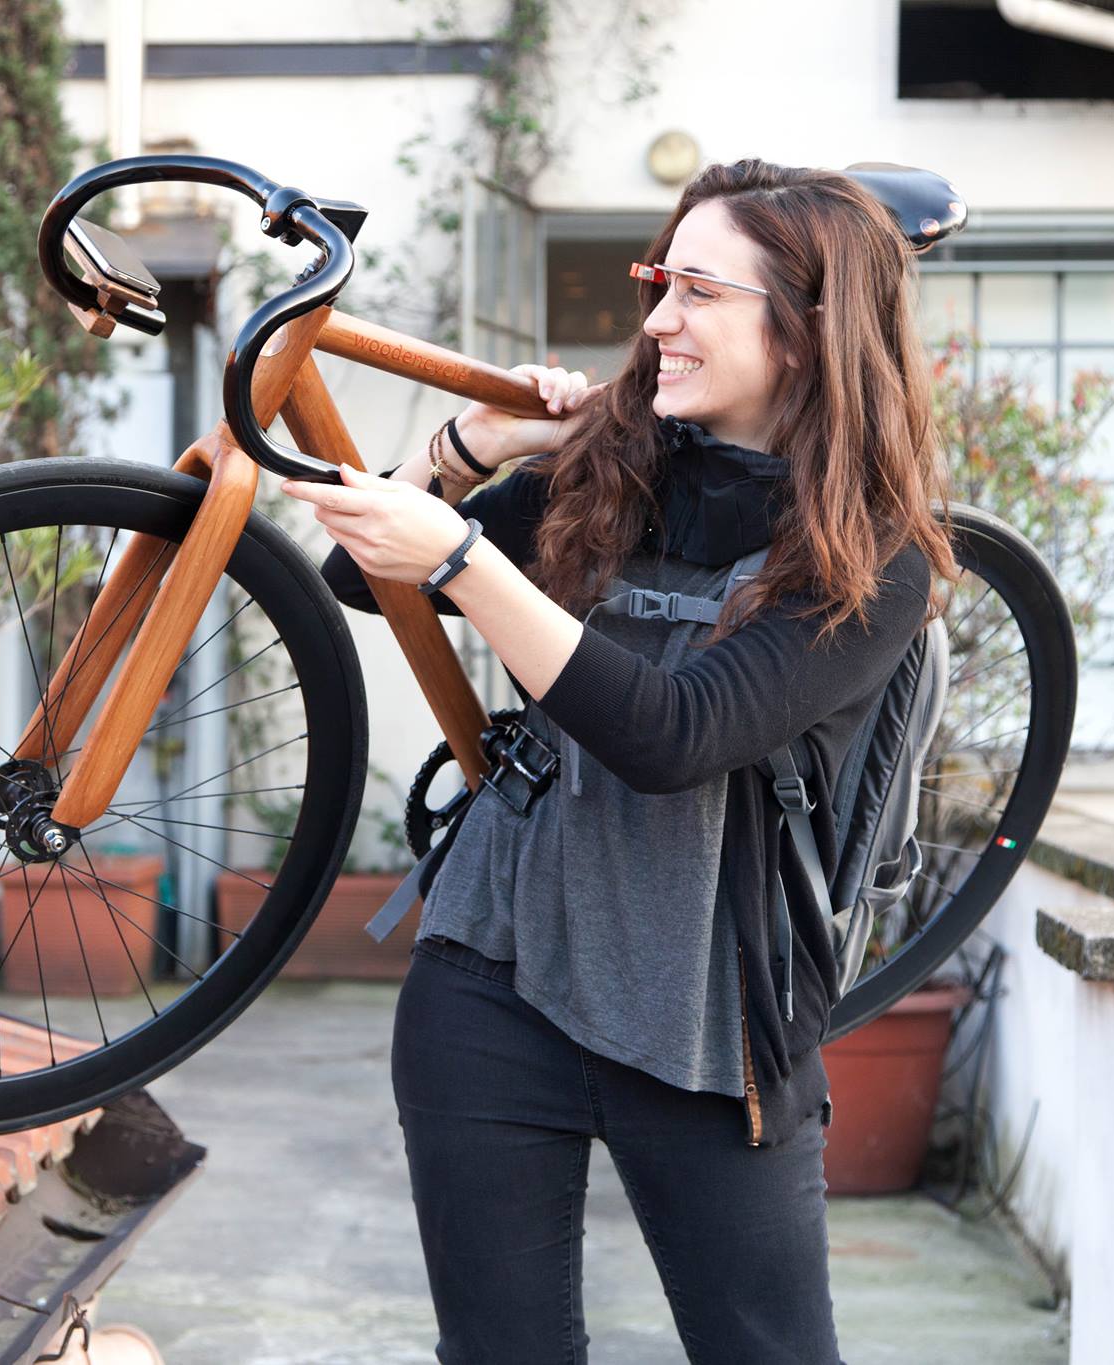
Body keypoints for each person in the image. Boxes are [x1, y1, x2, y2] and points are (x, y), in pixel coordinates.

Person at [279, 157, 957, 1365]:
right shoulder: (612, 470)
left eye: (697, 291)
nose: (654, 320)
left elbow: (671, 734)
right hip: (493, 973)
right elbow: (356, 579)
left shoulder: (876, 558)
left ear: (803, 333)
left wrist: (464, 562)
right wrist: (465, 445)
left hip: (708, 1028)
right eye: (660, 279)